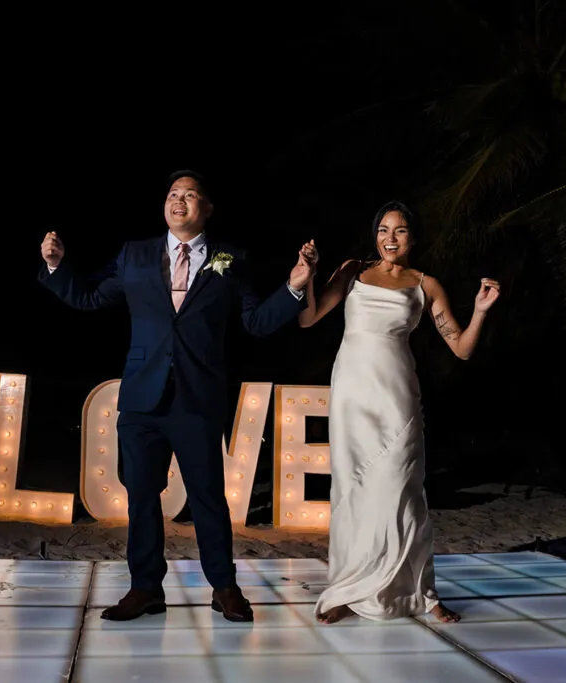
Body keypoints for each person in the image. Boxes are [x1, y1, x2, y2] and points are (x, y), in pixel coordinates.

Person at [39, 170, 317, 622]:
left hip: (196, 398)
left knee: (208, 497)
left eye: (190, 195)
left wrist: (295, 286)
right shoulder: (136, 255)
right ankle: (145, 588)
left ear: (206, 208)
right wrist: (56, 266)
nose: (179, 201)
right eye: (173, 194)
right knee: (142, 497)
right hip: (142, 399)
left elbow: (257, 322)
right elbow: (89, 298)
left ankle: (224, 587)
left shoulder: (230, 258)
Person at [297, 199, 500, 624]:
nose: (391, 238)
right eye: (384, 229)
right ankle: (345, 590)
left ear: (413, 237)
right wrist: (309, 277)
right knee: (351, 492)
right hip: (352, 394)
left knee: (403, 491)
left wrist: (480, 311)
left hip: (397, 397)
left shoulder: (426, 285)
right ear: (375, 235)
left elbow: (461, 348)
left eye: (401, 230)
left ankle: (424, 594)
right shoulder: (353, 271)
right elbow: (309, 319)